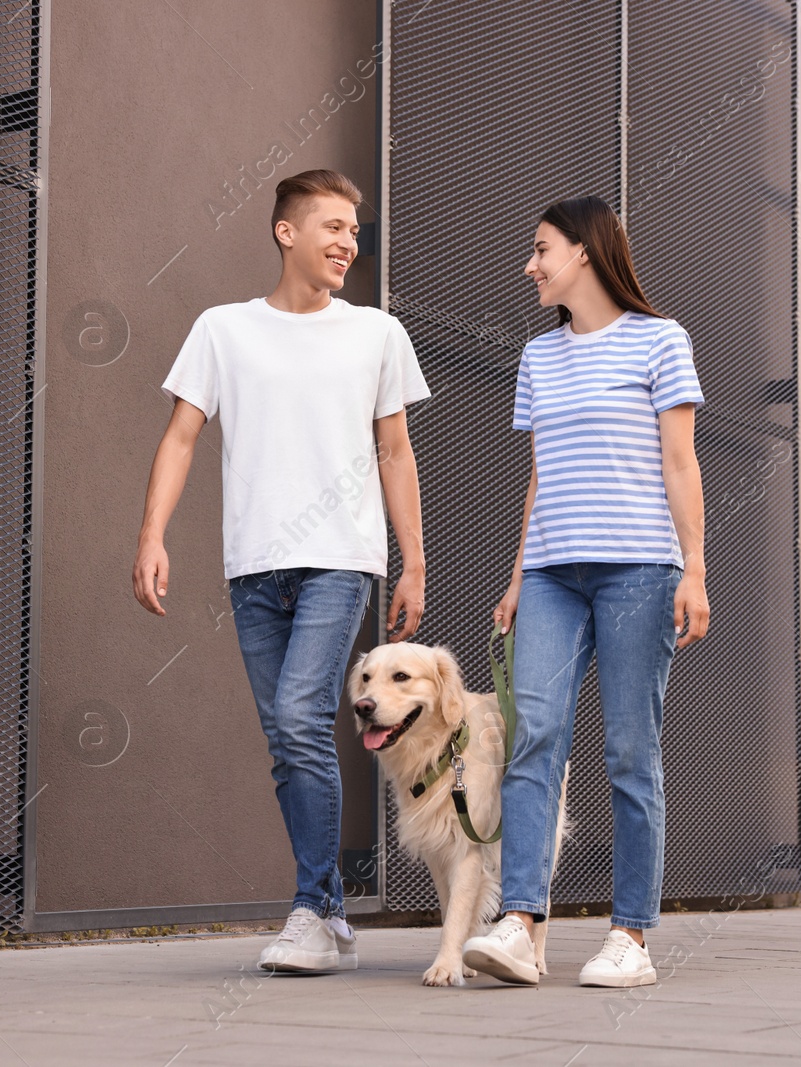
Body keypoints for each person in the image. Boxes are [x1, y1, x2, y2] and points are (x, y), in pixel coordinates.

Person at [132, 168, 431, 973]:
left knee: (302, 718)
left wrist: (414, 561)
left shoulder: (376, 332)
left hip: (340, 558)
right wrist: (153, 535)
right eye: (332, 226)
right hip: (254, 565)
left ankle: (314, 907)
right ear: (285, 231)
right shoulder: (223, 330)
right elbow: (182, 436)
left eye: (355, 231)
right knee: (286, 738)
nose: (348, 243)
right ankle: (328, 915)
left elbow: (396, 450)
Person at [460, 195, 709, 987]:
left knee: (631, 750)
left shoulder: (661, 341)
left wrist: (696, 566)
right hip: (551, 575)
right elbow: (541, 477)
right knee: (534, 738)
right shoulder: (540, 357)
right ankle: (522, 925)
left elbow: (680, 462)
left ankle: (630, 936)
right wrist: (515, 574)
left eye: (541, 249)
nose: (530, 265)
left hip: (640, 568)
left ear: (586, 252)